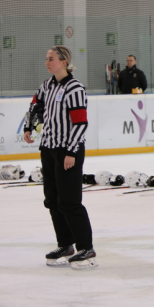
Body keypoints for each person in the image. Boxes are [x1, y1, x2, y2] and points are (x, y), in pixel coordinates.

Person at [23, 46, 96, 270]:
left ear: (64, 61)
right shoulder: (47, 85)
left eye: (51, 59)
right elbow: (35, 105)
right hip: (48, 148)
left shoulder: (75, 88)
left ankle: (86, 248)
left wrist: (71, 151)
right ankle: (65, 245)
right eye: (46, 58)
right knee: (53, 200)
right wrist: (29, 126)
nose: (47, 62)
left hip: (68, 150)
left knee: (69, 201)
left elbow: (80, 123)